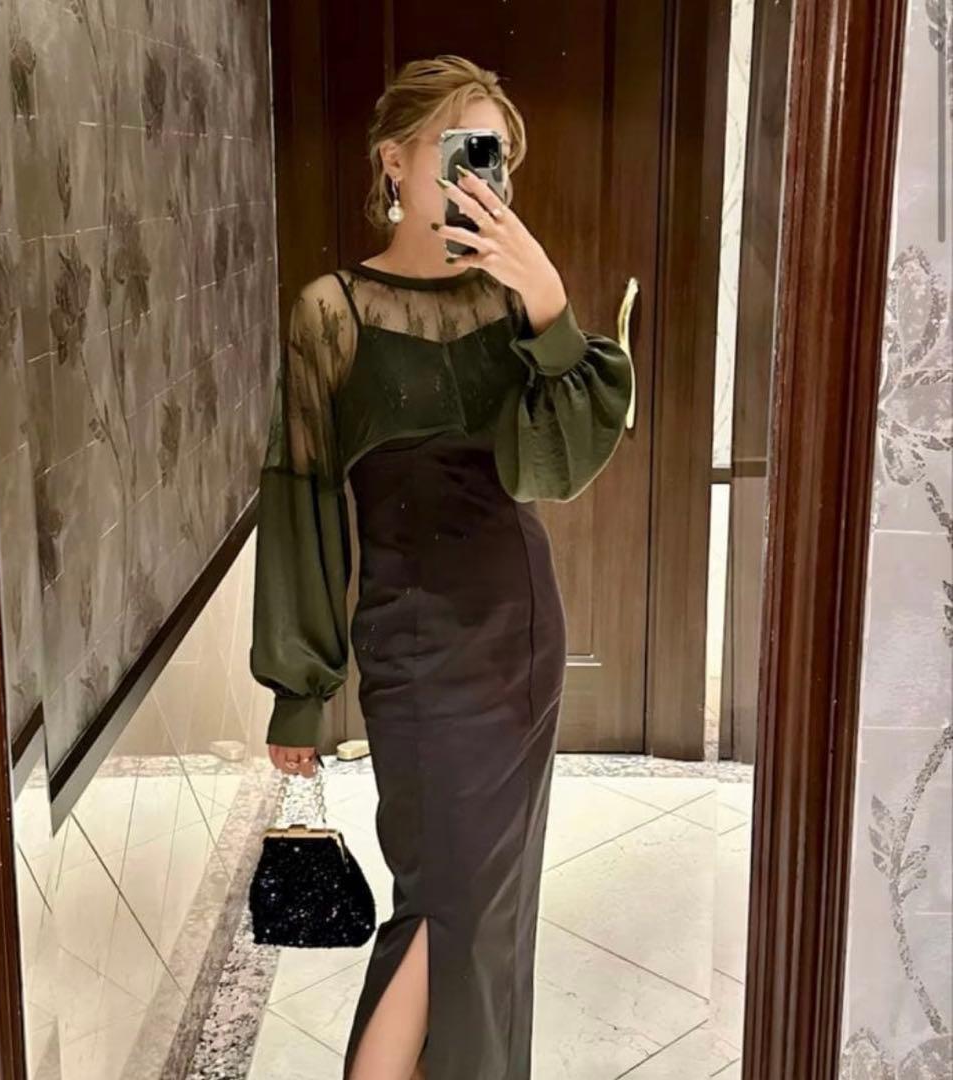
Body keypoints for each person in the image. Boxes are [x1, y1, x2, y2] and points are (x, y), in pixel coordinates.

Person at [250, 53, 635, 1080]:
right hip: (413, 645)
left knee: (485, 914)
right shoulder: (330, 310)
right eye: (460, 151)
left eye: (494, 158)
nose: (479, 178)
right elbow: (301, 495)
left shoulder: (509, 303)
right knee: (446, 902)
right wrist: (300, 689)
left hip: (519, 637)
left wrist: (550, 302)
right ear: (395, 160)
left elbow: (564, 465)